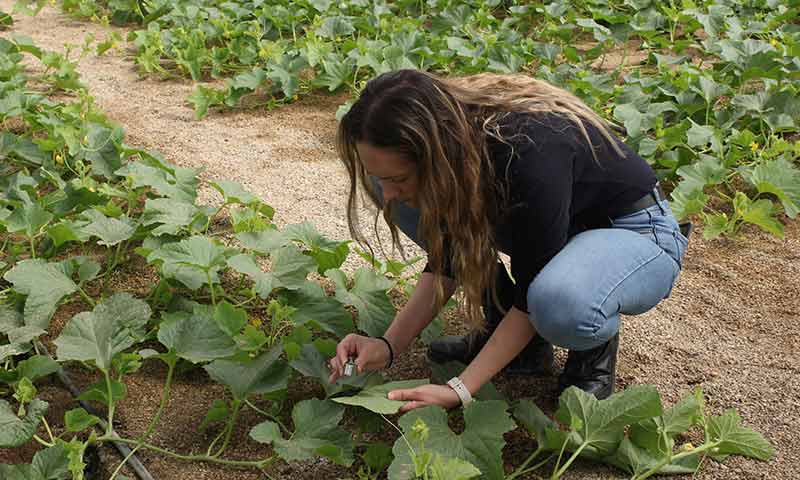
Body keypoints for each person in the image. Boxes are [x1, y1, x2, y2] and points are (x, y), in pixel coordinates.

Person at [327, 69, 689, 413]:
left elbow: (532, 293)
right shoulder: (455, 150)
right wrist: (389, 346)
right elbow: (450, 256)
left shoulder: (528, 150)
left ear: (434, 152)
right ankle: (521, 347)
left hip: (633, 231)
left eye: (399, 176)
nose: (387, 194)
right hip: (558, 231)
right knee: (408, 202)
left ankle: (592, 352)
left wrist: (461, 389)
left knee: (558, 301)